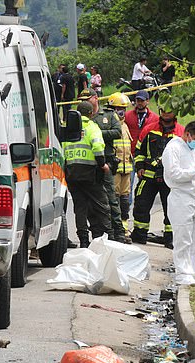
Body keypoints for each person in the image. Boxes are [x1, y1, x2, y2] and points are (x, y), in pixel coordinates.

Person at [78, 88, 131, 244]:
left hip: (105, 163)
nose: (84, 102)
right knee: (89, 204)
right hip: (87, 165)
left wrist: (96, 132)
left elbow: (117, 132)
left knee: (111, 199)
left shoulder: (108, 115)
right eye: (82, 100)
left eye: (87, 99)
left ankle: (118, 234)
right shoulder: (79, 117)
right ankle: (97, 234)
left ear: (95, 98)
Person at [162, 121, 195, 287]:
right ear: (187, 134)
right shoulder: (173, 148)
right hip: (181, 197)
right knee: (183, 237)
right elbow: (174, 174)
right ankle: (183, 273)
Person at [131, 106, 184, 247]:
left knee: (172, 208)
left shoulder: (181, 132)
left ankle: (170, 238)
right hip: (149, 175)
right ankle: (139, 234)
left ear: (175, 112)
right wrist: (140, 167)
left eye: (169, 110)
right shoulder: (149, 129)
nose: (166, 113)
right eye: (164, 110)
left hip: (170, 178)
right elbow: (138, 151)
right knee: (141, 204)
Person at [63, 101, 112, 248]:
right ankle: (105, 239)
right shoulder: (92, 127)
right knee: (101, 206)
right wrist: (102, 164)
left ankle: (83, 240)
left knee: (80, 208)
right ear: (91, 114)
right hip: (90, 173)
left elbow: (63, 149)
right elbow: (97, 146)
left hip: (72, 174)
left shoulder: (70, 128)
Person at [107, 92, 133, 234]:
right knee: (114, 199)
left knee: (125, 200)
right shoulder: (110, 126)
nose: (122, 112)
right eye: (118, 108)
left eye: (123, 108)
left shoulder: (125, 126)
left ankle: (124, 227)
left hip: (126, 170)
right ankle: (115, 228)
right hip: (114, 170)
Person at [124, 90, 160, 155]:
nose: (140, 103)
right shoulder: (127, 116)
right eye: (138, 101)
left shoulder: (155, 118)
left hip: (147, 152)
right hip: (130, 152)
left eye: (142, 101)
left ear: (147, 101)